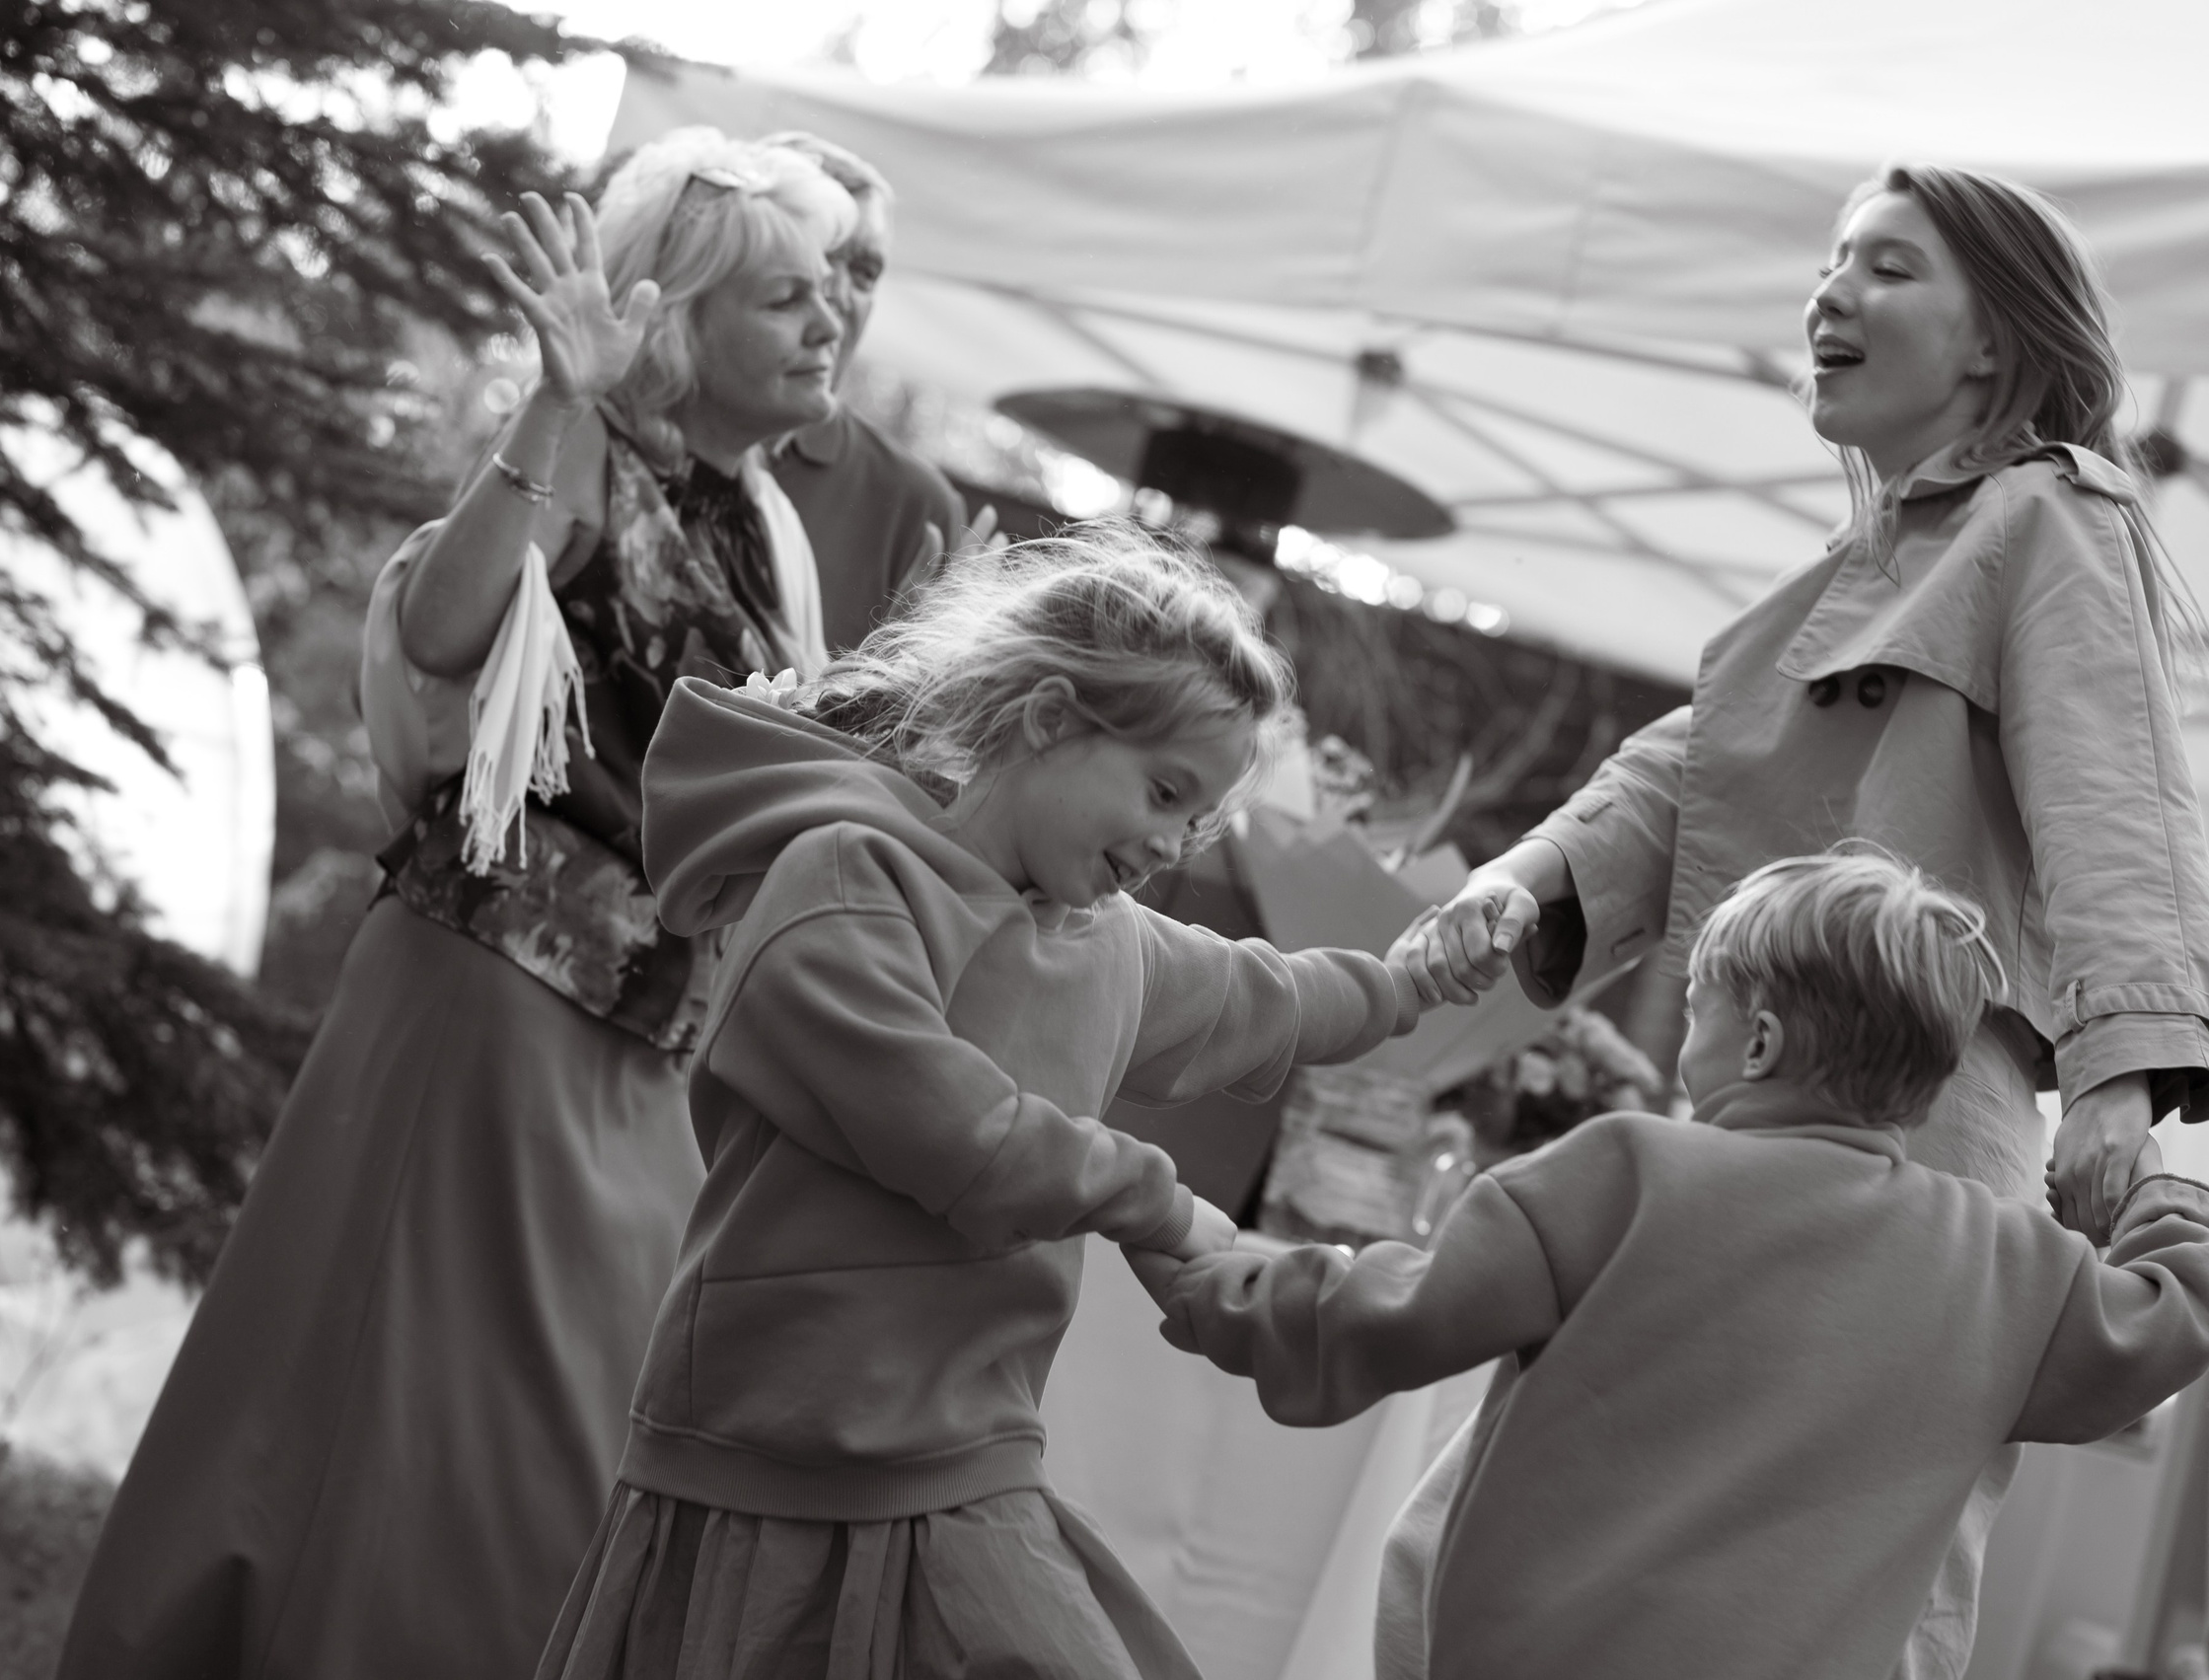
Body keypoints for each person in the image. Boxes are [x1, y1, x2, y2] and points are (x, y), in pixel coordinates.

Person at [1386, 162, 2209, 1680]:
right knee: (1520, 1526)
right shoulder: (1839, 573)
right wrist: (1519, 880)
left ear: (1991, 341)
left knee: (1843, 1580)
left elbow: (2119, 798)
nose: (1830, 294)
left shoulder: (2055, 517)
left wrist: (2121, 1068)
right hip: (1753, 1109)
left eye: (1888, 267)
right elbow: (1679, 769)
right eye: (1832, 262)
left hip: (1921, 1114)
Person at [55, 130, 857, 1680]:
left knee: (548, 1447)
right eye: (785, 298)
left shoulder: (764, 526)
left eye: (833, 291)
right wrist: (560, 398)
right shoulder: (595, 456)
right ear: (680, 322)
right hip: (490, 1006)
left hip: (641, 1048)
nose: (829, 323)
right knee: (432, 1431)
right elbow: (440, 623)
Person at [534, 530, 1421, 1680]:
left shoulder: (1109, 943)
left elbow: (1264, 995)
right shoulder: (842, 880)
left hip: (964, 1461)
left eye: (1196, 822)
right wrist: (1161, 1207)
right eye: (1162, 791)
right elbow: (957, 1131)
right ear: (1050, 717)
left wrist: (1411, 983)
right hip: (766, 1459)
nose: (1168, 845)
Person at [1144, 848, 2209, 1680]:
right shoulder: (2005, 1261)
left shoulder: (1619, 1171)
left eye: (1697, 1005)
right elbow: (2168, 1320)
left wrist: (1210, 1270)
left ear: (1755, 1044)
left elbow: (1377, 1317)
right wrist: (2149, 1185)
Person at [763, 130, 969, 651]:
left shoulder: (916, 509)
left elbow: (907, 731)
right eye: (821, 251)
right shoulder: (630, 434)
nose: (836, 293)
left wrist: (891, 675)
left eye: (865, 270)